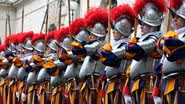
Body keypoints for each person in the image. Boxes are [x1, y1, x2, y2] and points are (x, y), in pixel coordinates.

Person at [124, 0, 166, 103]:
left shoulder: (155, 39)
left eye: (144, 24)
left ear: (152, 25)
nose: (141, 26)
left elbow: (146, 45)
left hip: (149, 85)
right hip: (137, 85)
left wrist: (133, 46)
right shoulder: (142, 40)